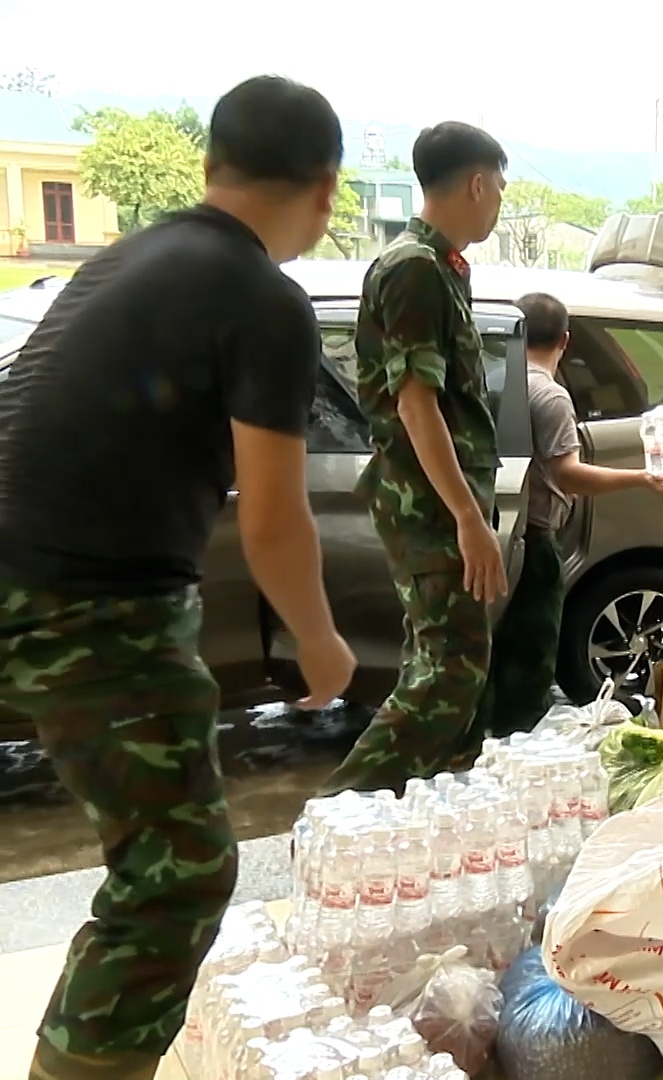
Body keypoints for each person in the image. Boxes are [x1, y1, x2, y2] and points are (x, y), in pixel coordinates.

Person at [0, 76, 355, 1080]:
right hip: (89, 604)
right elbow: (276, 517)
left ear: (209, 168)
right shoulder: (264, 301)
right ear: (326, 191)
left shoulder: (121, 259)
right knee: (178, 874)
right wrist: (322, 646)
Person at [319, 122, 509, 795]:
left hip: (436, 503)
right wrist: (466, 517)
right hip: (427, 507)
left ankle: (432, 812)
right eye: (499, 188)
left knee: (451, 669)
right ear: (477, 183)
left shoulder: (439, 267)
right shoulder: (415, 270)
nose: (499, 203)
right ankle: (337, 814)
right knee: (448, 674)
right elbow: (416, 404)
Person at [467, 292, 663, 740]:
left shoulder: (488, 381)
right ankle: (518, 744)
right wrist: (643, 478)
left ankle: (484, 742)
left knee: (490, 652)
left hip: (489, 533)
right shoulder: (550, 397)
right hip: (534, 541)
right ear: (565, 341)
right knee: (530, 659)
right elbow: (568, 474)